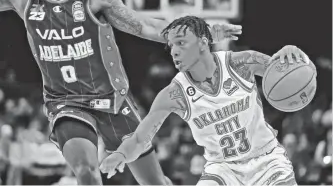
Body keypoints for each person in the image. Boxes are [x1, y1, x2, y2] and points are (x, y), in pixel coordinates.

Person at [0, 0, 242, 185]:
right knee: (86, 171)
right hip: (66, 102)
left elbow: (144, 26)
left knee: (155, 182)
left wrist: (200, 33)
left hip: (112, 100)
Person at [100, 16, 315, 186]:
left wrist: (294, 55)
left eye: (181, 43)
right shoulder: (174, 94)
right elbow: (139, 139)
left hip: (266, 159)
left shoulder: (241, 63)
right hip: (222, 169)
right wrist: (120, 154)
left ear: (203, 43)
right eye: (171, 46)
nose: (174, 51)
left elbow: (288, 72)